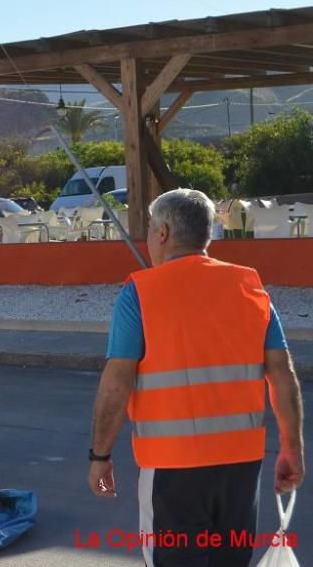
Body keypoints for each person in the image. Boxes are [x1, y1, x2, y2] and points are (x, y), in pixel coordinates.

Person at [88, 188, 304, 567]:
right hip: (240, 467)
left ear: (164, 233)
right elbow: (282, 374)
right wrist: (292, 448)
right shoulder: (250, 288)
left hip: (171, 470)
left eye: (151, 228)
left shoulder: (140, 293)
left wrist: (100, 455)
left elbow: (116, 384)